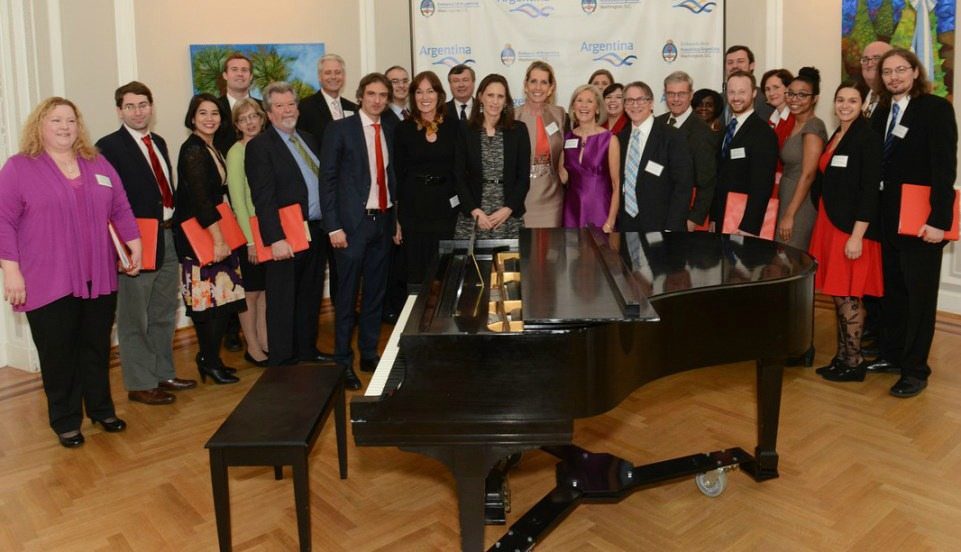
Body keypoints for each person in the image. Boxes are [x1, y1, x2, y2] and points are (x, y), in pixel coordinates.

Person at [0, 97, 141, 447]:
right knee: (58, 352)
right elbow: (3, 222)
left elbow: (121, 206)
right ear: (39, 126)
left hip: (98, 275)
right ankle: (65, 419)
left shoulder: (97, 163)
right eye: (56, 121)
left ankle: (101, 408)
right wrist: (11, 273)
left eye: (71, 121)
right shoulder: (19, 167)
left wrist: (133, 242)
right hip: (46, 279)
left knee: (95, 346)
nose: (65, 127)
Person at [96, 81, 195, 406]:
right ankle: (140, 383)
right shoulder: (108, 147)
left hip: (166, 235)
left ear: (151, 107)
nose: (138, 111)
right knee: (134, 316)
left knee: (164, 311)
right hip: (136, 240)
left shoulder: (160, 142)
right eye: (130, 106)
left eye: (143, 104)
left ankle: (162, 372)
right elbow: (107, 201)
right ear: (119, 111)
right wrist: (123, 247)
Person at [868, 48, 958, 398]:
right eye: (887, 72)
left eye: (901, 70)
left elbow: (943, 169)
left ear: (915, 72)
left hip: (922, 223)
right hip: (887, 220)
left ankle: (916, 370)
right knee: (894, 295)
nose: (894, 77)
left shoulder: (936, 109)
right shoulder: (881, 111)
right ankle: (892, 356)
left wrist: (939, 220)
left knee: (919, 299)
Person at [319, 73, 399, 389]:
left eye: (383, 95)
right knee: (346, 295)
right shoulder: (340, 130)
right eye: (371, 94)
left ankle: (368, 352)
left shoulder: (390, 129)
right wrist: (333, 226)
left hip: (383, 221)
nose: (377, 100)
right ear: (360, 96)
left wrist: (396, 220)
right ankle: (342, 360)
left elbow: (392, 178)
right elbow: (327, 180)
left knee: (375, 294)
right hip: (351, 227)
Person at [247, 82, 334, 368]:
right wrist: (275, 239)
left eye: (291, 104)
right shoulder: (260, 146)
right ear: (269, 113)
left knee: (310, 297)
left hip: (315, 231)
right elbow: (263, 197)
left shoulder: (308, 138)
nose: (287, 111)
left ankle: (306, 351)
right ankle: (282, 361)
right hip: (286, 237)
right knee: (283, 301)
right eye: (280, 106)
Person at [809, 83, 883, 382]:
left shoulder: (867, 137)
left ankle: (854, 362)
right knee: (839, 296)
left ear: (861, 106)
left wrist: (857, 236)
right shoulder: (838, 134)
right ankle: (842, 357)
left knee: (850, 296)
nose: (845, 105)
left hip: (851, 230)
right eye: (840, 100)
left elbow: (869, 191)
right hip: (829, 224)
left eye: (852, 101)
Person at [173, 94, 246, 385]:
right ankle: (209, 360)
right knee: (209, 306)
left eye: (214, 113)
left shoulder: (208, 147)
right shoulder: (192, 150)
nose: (209, 118)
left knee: (219, 303)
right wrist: (218, 240)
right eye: (202, 113)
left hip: (215, 231)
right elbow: (202, 201)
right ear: (192, 118)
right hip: (202, 237)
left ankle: (210, 359)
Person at [296, 53, 356, 301]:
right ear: (320, 76)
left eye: (337, 72)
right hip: (322, 198)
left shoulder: (354, 108)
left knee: (346, 263)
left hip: (351, 198)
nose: (333, 76)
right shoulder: (306, 108)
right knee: (319, 266)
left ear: (343, 76)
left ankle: (346, 312)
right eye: (328, 72)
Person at [394, 71, 460, 287]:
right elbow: (398, 173)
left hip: (445, 209)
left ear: (439, 94)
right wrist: (397, 217)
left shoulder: (455, 127)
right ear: (413, 97)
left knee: (445, 271)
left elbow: (461, 171)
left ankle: (443, 320)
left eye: (430, 91)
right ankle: (414, 319)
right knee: (415, 272)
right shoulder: (403, 129)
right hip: (414, 210)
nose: (425, 97)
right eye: (419, 92)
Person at [453, 74, 530, 239]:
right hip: (473, 215)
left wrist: (508, 209)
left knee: (509, 264)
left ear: (506, 101)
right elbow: (458, 176)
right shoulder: (465, 130)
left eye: (500, 96)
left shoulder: (519, 130)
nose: (495, 101)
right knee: (472, 264)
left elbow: (523, 178)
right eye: (490, 95)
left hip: (508, 216)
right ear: (480, 97)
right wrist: (474, 210)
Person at [614, 81, 693, 233]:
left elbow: (683, 186)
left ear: (651, 103)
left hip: (662, 225)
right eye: (629, 100)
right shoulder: (620, 138)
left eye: (640, 100)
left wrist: (673, 227)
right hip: (627, 224)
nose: (634, 105)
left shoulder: (673, 136)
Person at [225, 98, 269, 367]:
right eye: (243, 119)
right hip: (249, 233)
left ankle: (265, 341)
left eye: (254, 116)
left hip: (269, 229)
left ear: (262, 118)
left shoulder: (267, 145)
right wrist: (250, 241)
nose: (250, 122)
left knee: (265, 291)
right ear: (237, 125)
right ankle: (252, 346)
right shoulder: (236, 152)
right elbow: (238, 200)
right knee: (251, 293)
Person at [712, 70, 778, 236]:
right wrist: (714, 217)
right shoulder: (727, 130)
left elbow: (762, 185)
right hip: (722, 218)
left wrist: (749, 226)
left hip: (744, 224)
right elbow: (720, 176)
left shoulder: (763, 133)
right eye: (732, 92)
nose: (736, 97)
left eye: (742, 92)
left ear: (754, 93)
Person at [656, 71, 718, 231]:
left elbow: (707, 183)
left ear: (691, 95)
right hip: (657, 211)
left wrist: (693, 219)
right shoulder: (657, 124)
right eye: (671, 94)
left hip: (685, 215)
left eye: (681, 94)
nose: (675, 99)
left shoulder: (702, 132)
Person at [776, 67, 827, 249]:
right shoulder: (795, 124)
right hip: (788, 196)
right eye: (791, 94)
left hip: (800, 204)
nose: (794, 99)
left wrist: (790, 214)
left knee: (791, 258)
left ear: (815, 98)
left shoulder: (813, 126)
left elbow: (808, 174)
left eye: (802, 95)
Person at [558, 84, 619, 230]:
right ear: (573, 107)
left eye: (590, 101)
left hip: (600, 212)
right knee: (572, 252)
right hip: (571, 212)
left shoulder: (609, 140)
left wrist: (610, 221)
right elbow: (563, 177)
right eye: (579, 100)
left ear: (597, 108)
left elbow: (617, 186)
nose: (584, 105)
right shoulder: (567, 138)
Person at [516, 60, 566, 228]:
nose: (538, 87)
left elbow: (566, 149)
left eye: (544, 82)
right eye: (533, 81)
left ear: (551, 88)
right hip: (522, 197)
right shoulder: (513, 116)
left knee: (551, 252)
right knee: (525, 250)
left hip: (552, 197)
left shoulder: (559, 114)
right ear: (525, 85)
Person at [213, 53, 260, 156]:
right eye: (234, 69)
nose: (240, 74)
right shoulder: (214, 108)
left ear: (251, 76)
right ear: (225, 75)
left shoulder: (263, 107)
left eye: (244, 70)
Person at [722, 45, 774, 122]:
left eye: (740, 61)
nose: (735, 66)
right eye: (730, 62)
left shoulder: (765, 99)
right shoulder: (719, 99)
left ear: (752, 65)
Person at [859, 41, 893, 119]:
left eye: (876, 58)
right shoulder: (858, 95)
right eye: (865, 59)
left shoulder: (895, 99)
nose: (870, 64)